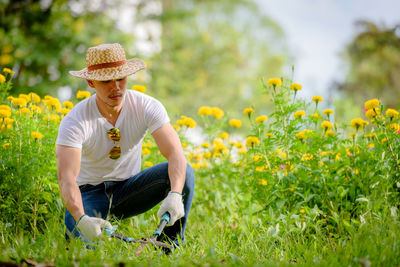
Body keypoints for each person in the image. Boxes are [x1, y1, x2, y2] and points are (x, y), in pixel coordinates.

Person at [55, 43, 195, 249]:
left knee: (186, 173)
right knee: (80, 249)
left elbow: (175, 153)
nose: (116, 87)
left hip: (129, 190)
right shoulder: (75, 120)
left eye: (121, 78)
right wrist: (81, 217)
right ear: (91, 82)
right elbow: (66, 178)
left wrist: (175, 194)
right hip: (89, 195)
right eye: (106, 81)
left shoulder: (146, 106)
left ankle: (169, 246)